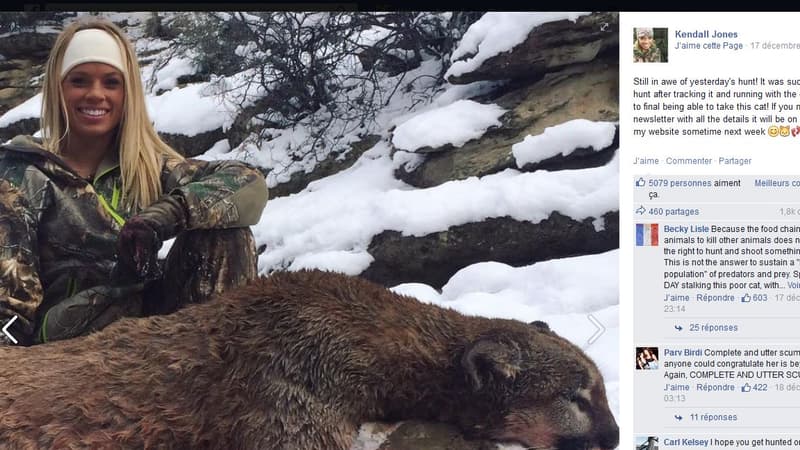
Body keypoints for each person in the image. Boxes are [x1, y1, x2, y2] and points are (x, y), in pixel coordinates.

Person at [0, 17, 268, 345]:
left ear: (128, 93)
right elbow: (10, 304)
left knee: (227, 232)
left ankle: (222, 369)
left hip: (148, 324)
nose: (96, 94)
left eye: (111, 82)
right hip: (63, 341)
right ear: (59, 89)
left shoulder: (149, 167)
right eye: (80, 80)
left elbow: (248, 182)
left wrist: (165, 216)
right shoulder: (20, 174)